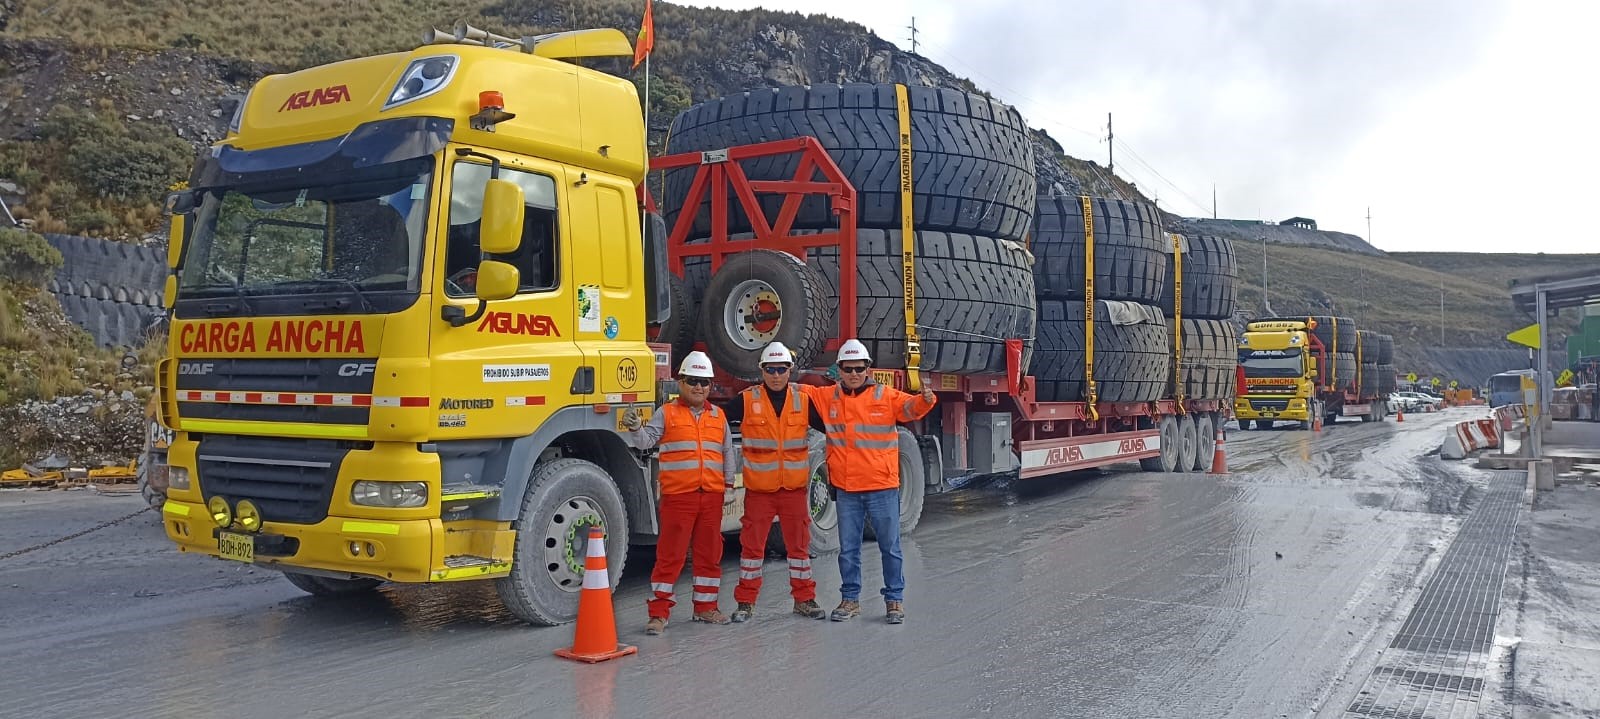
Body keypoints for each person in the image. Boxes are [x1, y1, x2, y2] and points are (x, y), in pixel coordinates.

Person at [798, 339, 936, 624]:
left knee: (891, 547)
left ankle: (894, 601)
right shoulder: (827, 397)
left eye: (859, 368)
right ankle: (850, 600)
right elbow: (798, 390)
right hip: (847, 490)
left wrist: (926, 397)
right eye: (848, 369)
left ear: (868, 368)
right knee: (848, 550)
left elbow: (911, 409)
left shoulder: (885, 396)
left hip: (881, 488)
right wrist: (773, 374)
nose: (853, 374)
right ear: (839, 369)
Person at [623, 351, 735, 635]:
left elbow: (727, 452)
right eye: (693, 381)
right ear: (681, 382)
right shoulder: (667, 413)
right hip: (679, 497)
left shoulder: (717, 416)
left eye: (704, 382)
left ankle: (706, 608)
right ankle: (659, 614)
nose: (699, 387)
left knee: (709, 554)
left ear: (711, 385)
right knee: (670, 556)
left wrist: (730, 486)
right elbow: (646, 441)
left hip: (710, 496)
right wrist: (636, 428)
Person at [721, 342, 829, 622]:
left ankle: (804, 599)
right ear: (762, 370)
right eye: (771, 369)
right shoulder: (745, 401)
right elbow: (714, 422)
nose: (777, 374)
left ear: (790, 370)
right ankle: (745, 603)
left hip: (793, 491)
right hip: (760, 492)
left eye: (782, 369)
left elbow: (832, 428)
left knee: (799, 549)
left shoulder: (802, 400)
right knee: (751, 550)